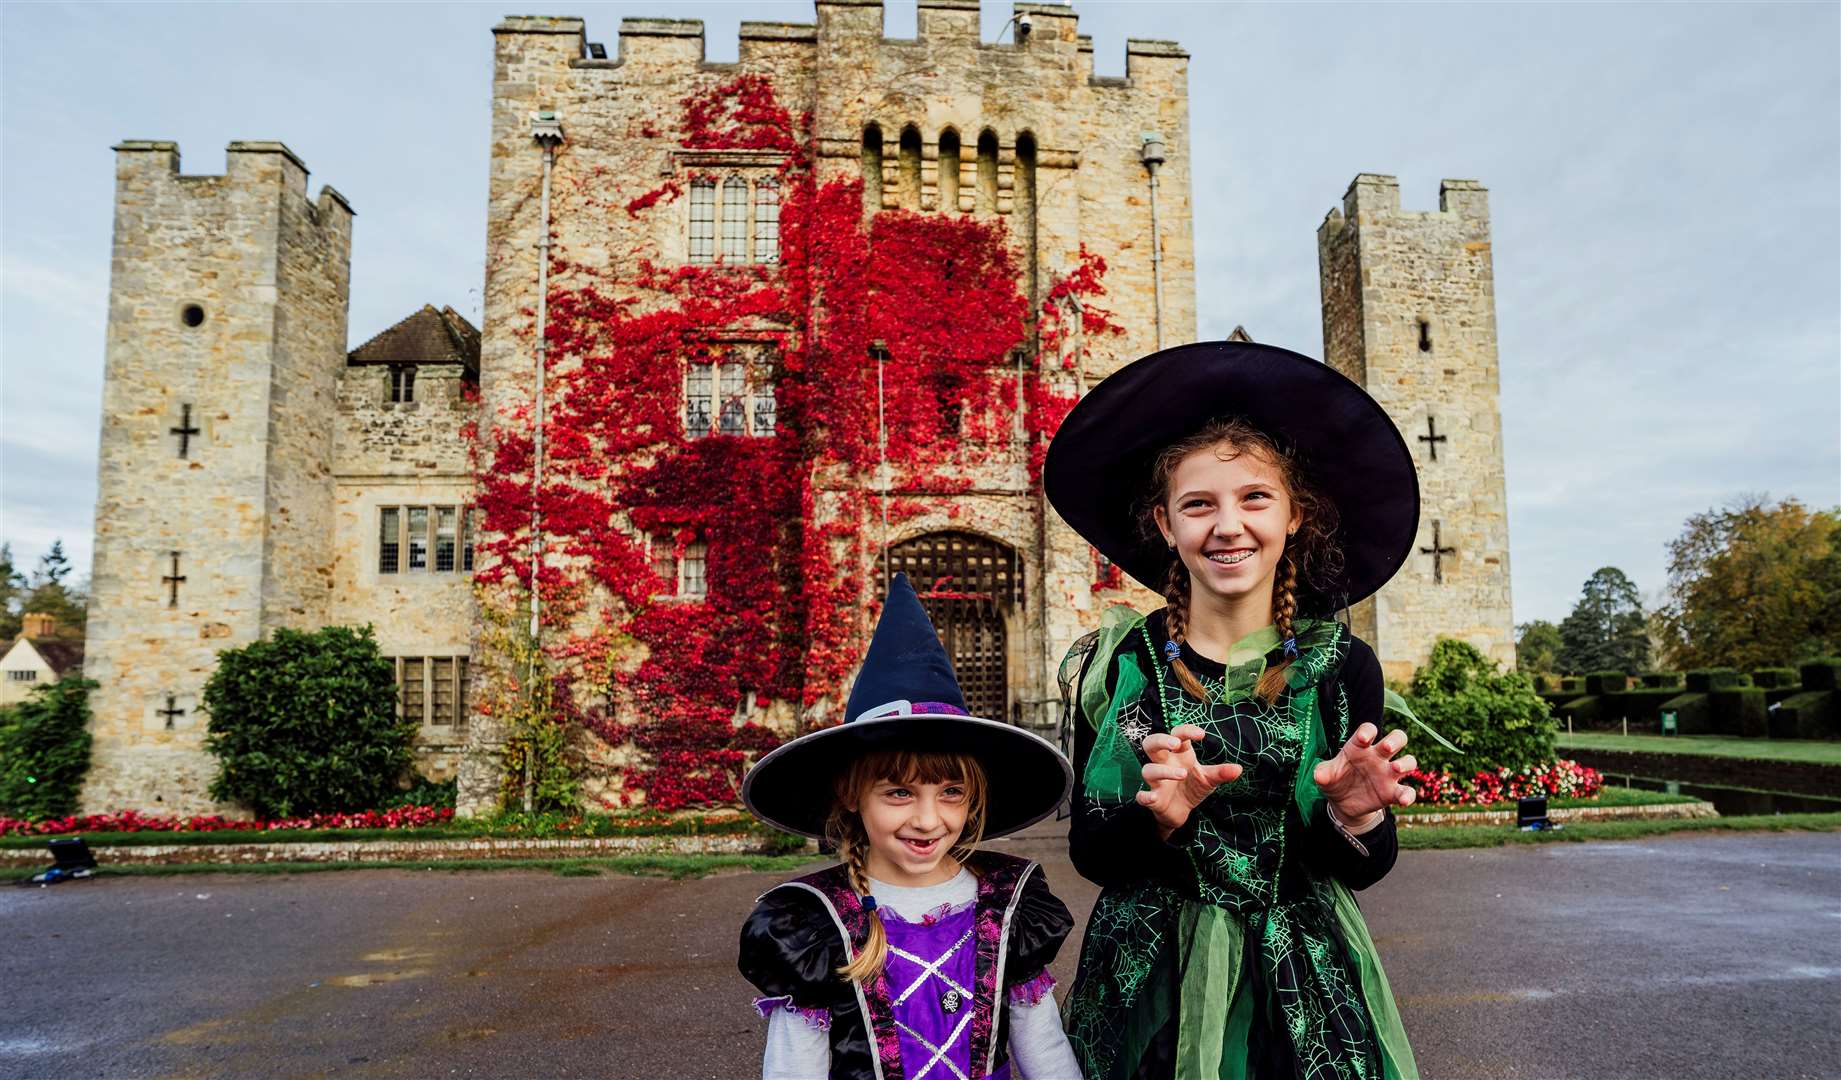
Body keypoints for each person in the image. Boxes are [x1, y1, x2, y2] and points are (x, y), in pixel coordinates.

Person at [1044, 340, 1454, 1080]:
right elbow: (1091, 853)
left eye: (1253, 498)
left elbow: (1360, 869)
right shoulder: (1120, 667)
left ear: (1294, 515)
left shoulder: (1338, 666)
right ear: (1165, 526)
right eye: (1198, 504)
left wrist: (1353, 817)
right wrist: (1157, 816)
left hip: (1300, 981)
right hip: (1150, 979)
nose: (1227, 525)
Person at [738, 572, 1084, 1080]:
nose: (927, 820)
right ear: (851, 794)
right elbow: (795, 1070)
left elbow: (1046, 1052)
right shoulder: (816, 926)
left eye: (950, 793)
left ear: (974, 797)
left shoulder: (1006, 909)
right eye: (899, 792)